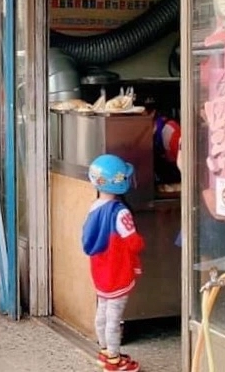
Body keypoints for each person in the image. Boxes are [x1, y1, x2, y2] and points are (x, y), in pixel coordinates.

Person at [82, 154, 145, 372]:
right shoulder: (120, 212)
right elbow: (134, 243)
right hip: (117, 272)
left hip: (100, 271)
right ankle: (114, 360)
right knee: (114, 319)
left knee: (102, 312)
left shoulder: (94, 207)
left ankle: (104, 351)